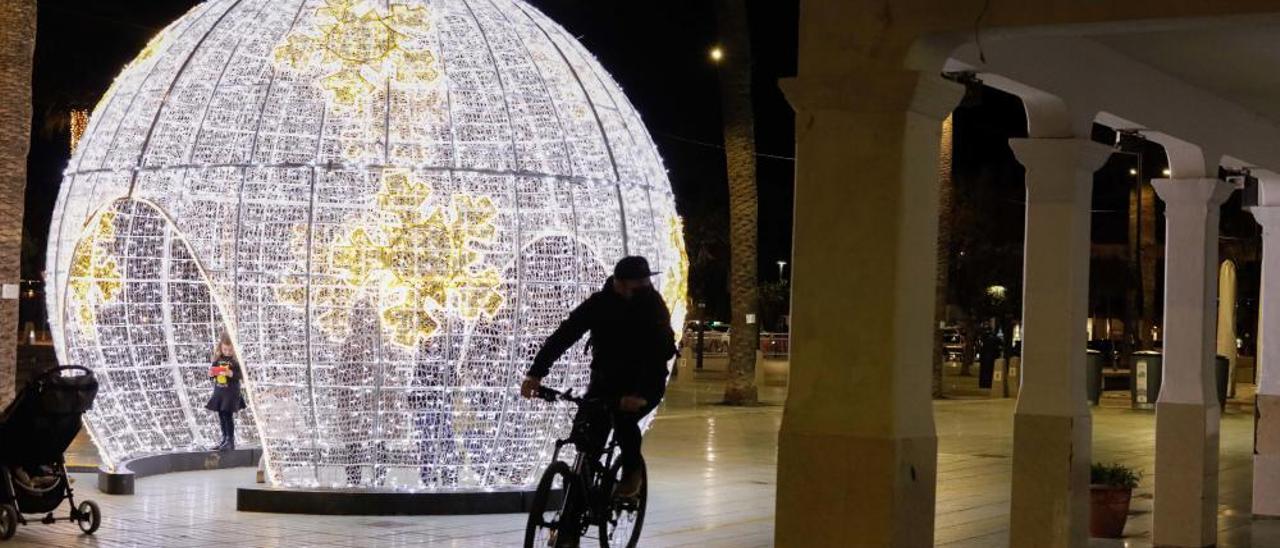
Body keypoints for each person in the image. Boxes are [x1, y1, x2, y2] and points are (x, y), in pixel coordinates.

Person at [521, 256, 677, 498]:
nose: (646, 285)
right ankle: (568, 528)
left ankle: (631, 472)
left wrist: (637, 394)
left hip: (646, 382)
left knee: (624, 420)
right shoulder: (599, 304)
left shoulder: (652, 304)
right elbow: (564, 335)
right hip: (605, 383)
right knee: (586, 442)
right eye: (639, 282)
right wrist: (536, 374)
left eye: (647, 280)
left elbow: (662, 352)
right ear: (620, 282)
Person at [206, 332, 246, 451]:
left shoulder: (235, 361)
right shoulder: (218, 359)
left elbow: (241, 375)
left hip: (231, 393)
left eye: (230, 350)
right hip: (220, 392)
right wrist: (211, 374)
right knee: (221, 415)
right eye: (225, 349)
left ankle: (230, 440)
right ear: (221, 347)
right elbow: (212, 373)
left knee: (227, 415)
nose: (228, 352)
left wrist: (231, 373)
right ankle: (224, 438)